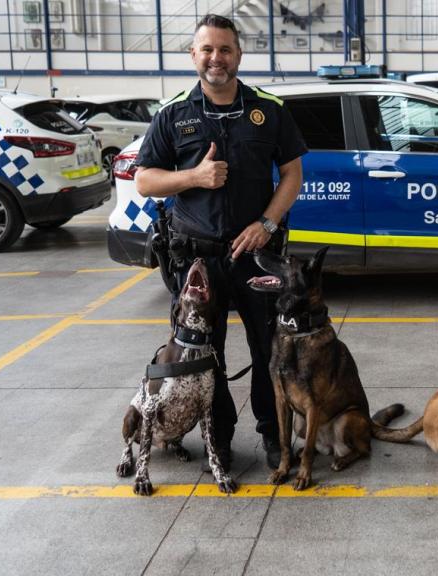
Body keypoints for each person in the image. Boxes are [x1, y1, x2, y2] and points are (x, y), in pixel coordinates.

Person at [136, 14, 307, 471]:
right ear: (193, 55)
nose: (216, 58)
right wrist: (194, 176)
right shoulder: (172, 113)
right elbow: (145, 180)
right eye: (207, 49)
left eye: (225, 49)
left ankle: (275, 438)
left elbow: (292, 173)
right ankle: (222, 439)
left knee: (269, 350)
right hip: (198, 261)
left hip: (256, 255)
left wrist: (267, 225)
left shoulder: (268, 109)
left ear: (238, 55)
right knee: (204, 356)